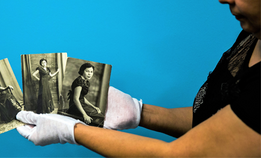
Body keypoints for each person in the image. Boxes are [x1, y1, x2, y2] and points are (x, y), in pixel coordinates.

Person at [16, 0, 260, 157]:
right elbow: (215, 119)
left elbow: (181, 155)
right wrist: (139, 112)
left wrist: (72, 131)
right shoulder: (251, 35)